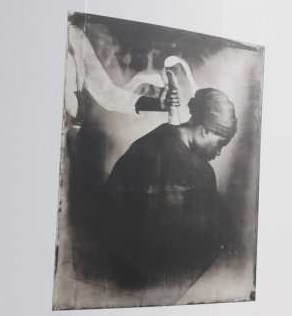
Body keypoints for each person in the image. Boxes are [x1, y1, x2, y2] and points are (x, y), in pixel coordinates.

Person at [100, 87, 238, 303]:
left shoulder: (153, 138)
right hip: (149, 283)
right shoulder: (196, 170)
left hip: (115, 266)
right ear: (203, 130)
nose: (218, 152)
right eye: (220, 143)